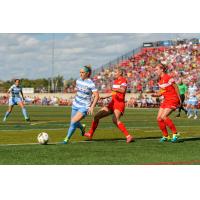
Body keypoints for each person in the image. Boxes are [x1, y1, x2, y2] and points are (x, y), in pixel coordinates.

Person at [84, 68, 134, 143]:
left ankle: (129, 136)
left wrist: (115, 89)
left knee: (115, 120)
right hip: (112, 103)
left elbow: (123, 90)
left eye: (116, 72)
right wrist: (104, 96)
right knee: (97, 116)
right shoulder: (115, 81)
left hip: (119, 103)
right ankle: (90, 133)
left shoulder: (123, 80)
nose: (114, 73)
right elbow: (113, 93)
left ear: (120, 73)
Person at [63, 65, 99, 144]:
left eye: (83, 72)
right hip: (75, 104)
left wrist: (92, 107)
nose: (81, 74)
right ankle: (82, 127)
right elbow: (79, 92)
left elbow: (97, 96)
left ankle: (66, 139)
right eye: (80, 72)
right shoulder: (78, 81)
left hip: (84, 107)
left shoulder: (91, 83)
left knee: (73, 122)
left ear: (87, 73)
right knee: (73, 122)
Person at [152, 64, 181, 142]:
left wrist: (179, 99)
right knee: (159, 118)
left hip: (173, 99)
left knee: (164, 117)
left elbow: (176, 87)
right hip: (166, 100)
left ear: (162, 70)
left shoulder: (168, 77)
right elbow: (162, 91)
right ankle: (166, 136)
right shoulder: (160, 80)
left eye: (156, 69)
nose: (155, 71)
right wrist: (156, 94)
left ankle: (175, 133)